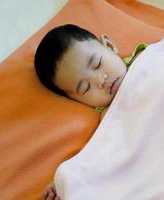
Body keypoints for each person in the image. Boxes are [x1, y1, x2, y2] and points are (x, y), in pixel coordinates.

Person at [34, 24, 146, 200]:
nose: (101, 80)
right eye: (85, 88)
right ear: (76, 100)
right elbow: (100, 156)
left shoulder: (146, 57)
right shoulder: (107, 117)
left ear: (108, 46)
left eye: (97, 64)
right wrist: (67, 181)